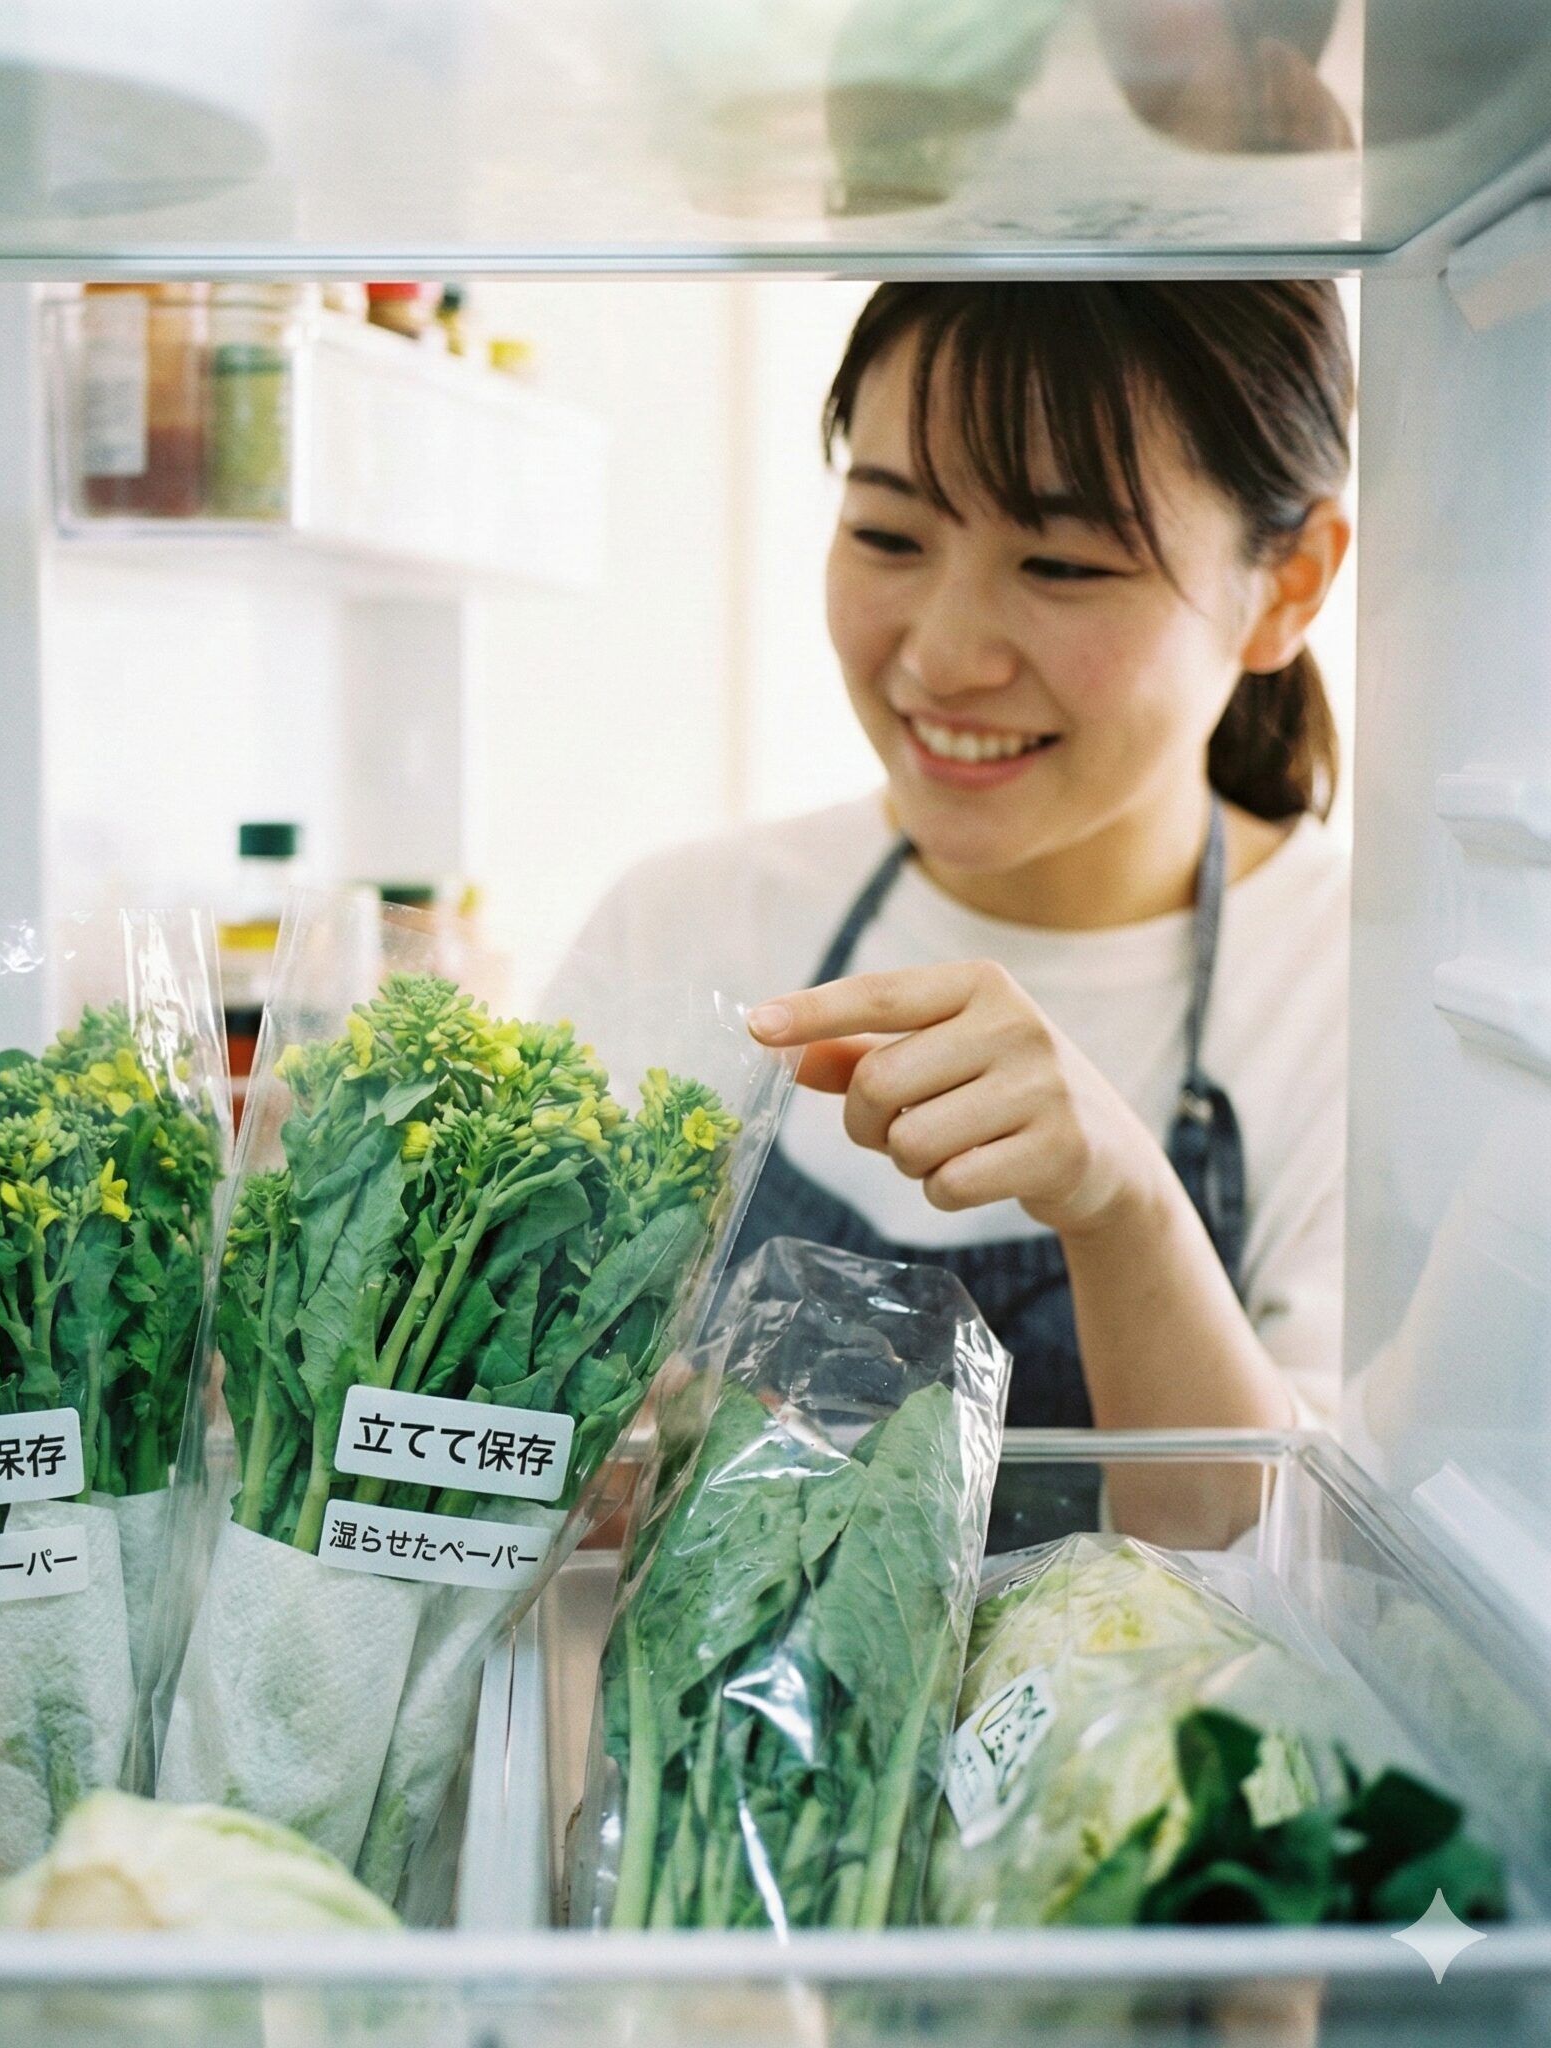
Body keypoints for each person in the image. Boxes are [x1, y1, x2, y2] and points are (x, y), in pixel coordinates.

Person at [552, 282, 1352, 1544]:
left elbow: (1299, 1592)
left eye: (1061, 563)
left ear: (1285, 587)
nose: (942, 653)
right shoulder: (680, 922)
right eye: (887, 534)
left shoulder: (1356, 989)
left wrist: (1125, 1210)